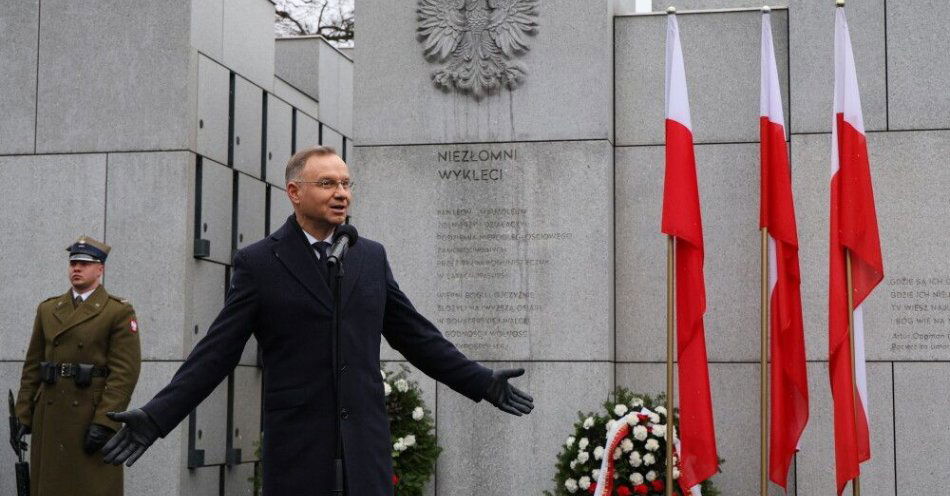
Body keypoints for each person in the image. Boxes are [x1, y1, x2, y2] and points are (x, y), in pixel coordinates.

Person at [101, 146, 534, 495]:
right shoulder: (259, 263)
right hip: (298, 450)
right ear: (294, 191)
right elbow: (216, 353)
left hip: (364, 449)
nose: (341, 193)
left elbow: (416, 335)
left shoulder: (369, 255)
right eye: (327, 183)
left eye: (346, 184)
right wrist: (157, 417)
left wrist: (479, 381)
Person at [12, 236, 142, 496]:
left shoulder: (116, 312)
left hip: (88, 416)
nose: (77, 269)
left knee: (88, 487)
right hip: (50, 415)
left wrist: (105, 421)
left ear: (100, 269)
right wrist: (23, 414)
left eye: (84, 263)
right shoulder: (48, 309)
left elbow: (124, 373)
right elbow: (33, 367)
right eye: (73, 263)